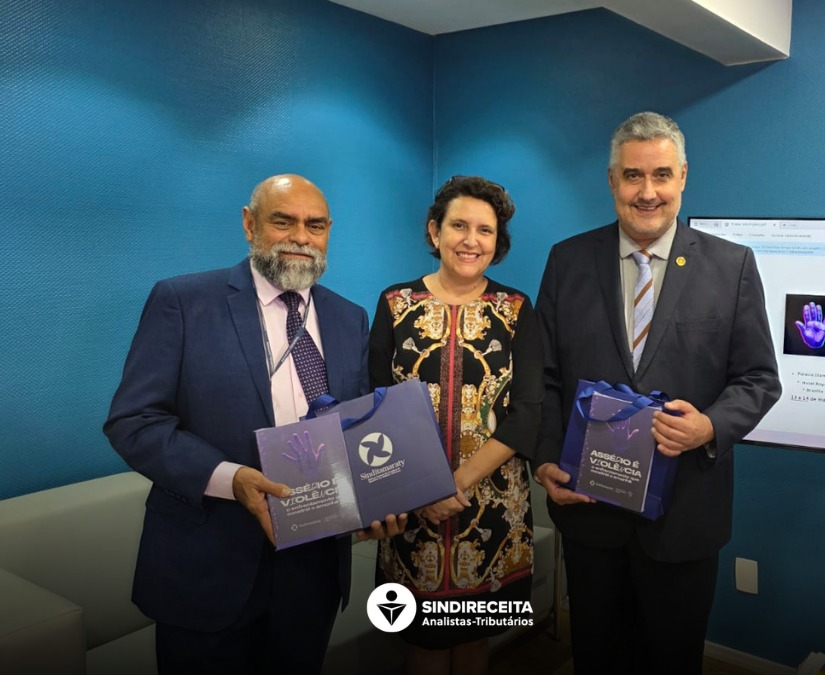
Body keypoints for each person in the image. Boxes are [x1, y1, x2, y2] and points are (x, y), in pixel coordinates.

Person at [104, 174, 403, 675]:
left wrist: (377, 499)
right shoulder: (183, 301)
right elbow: (134, 421)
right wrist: (232, 479)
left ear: (329, 231)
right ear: (249, 224)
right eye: (283, 221)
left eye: (315, 225)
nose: (301, 237)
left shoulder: (349, 318)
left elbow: (354, 427)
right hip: (208, 566)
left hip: (313, 571)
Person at [533, 112, 781, 674]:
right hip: (592, 515)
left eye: (661, 175)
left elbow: (759, 378)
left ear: (683, 177)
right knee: (596, 656)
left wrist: (709, 426)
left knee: (673, 660)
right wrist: (545, 458)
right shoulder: (568, 261)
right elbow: (544, 375)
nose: (647, 192)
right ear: (612, 180)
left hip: (685, 517)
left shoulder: (732, 266)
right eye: (633, 176)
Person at [369, 175, 543, 675]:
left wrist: (453, 483)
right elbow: (374, 406)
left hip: (492, 507)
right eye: (459, 226)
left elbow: (529, 411)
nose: (471, 240)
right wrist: (423, 489)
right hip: (411, 506)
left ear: (498, 241)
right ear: (435, 231)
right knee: (422, 641)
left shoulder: (516, 309)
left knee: (474, 639)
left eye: (485, 230)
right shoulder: (394, 304)